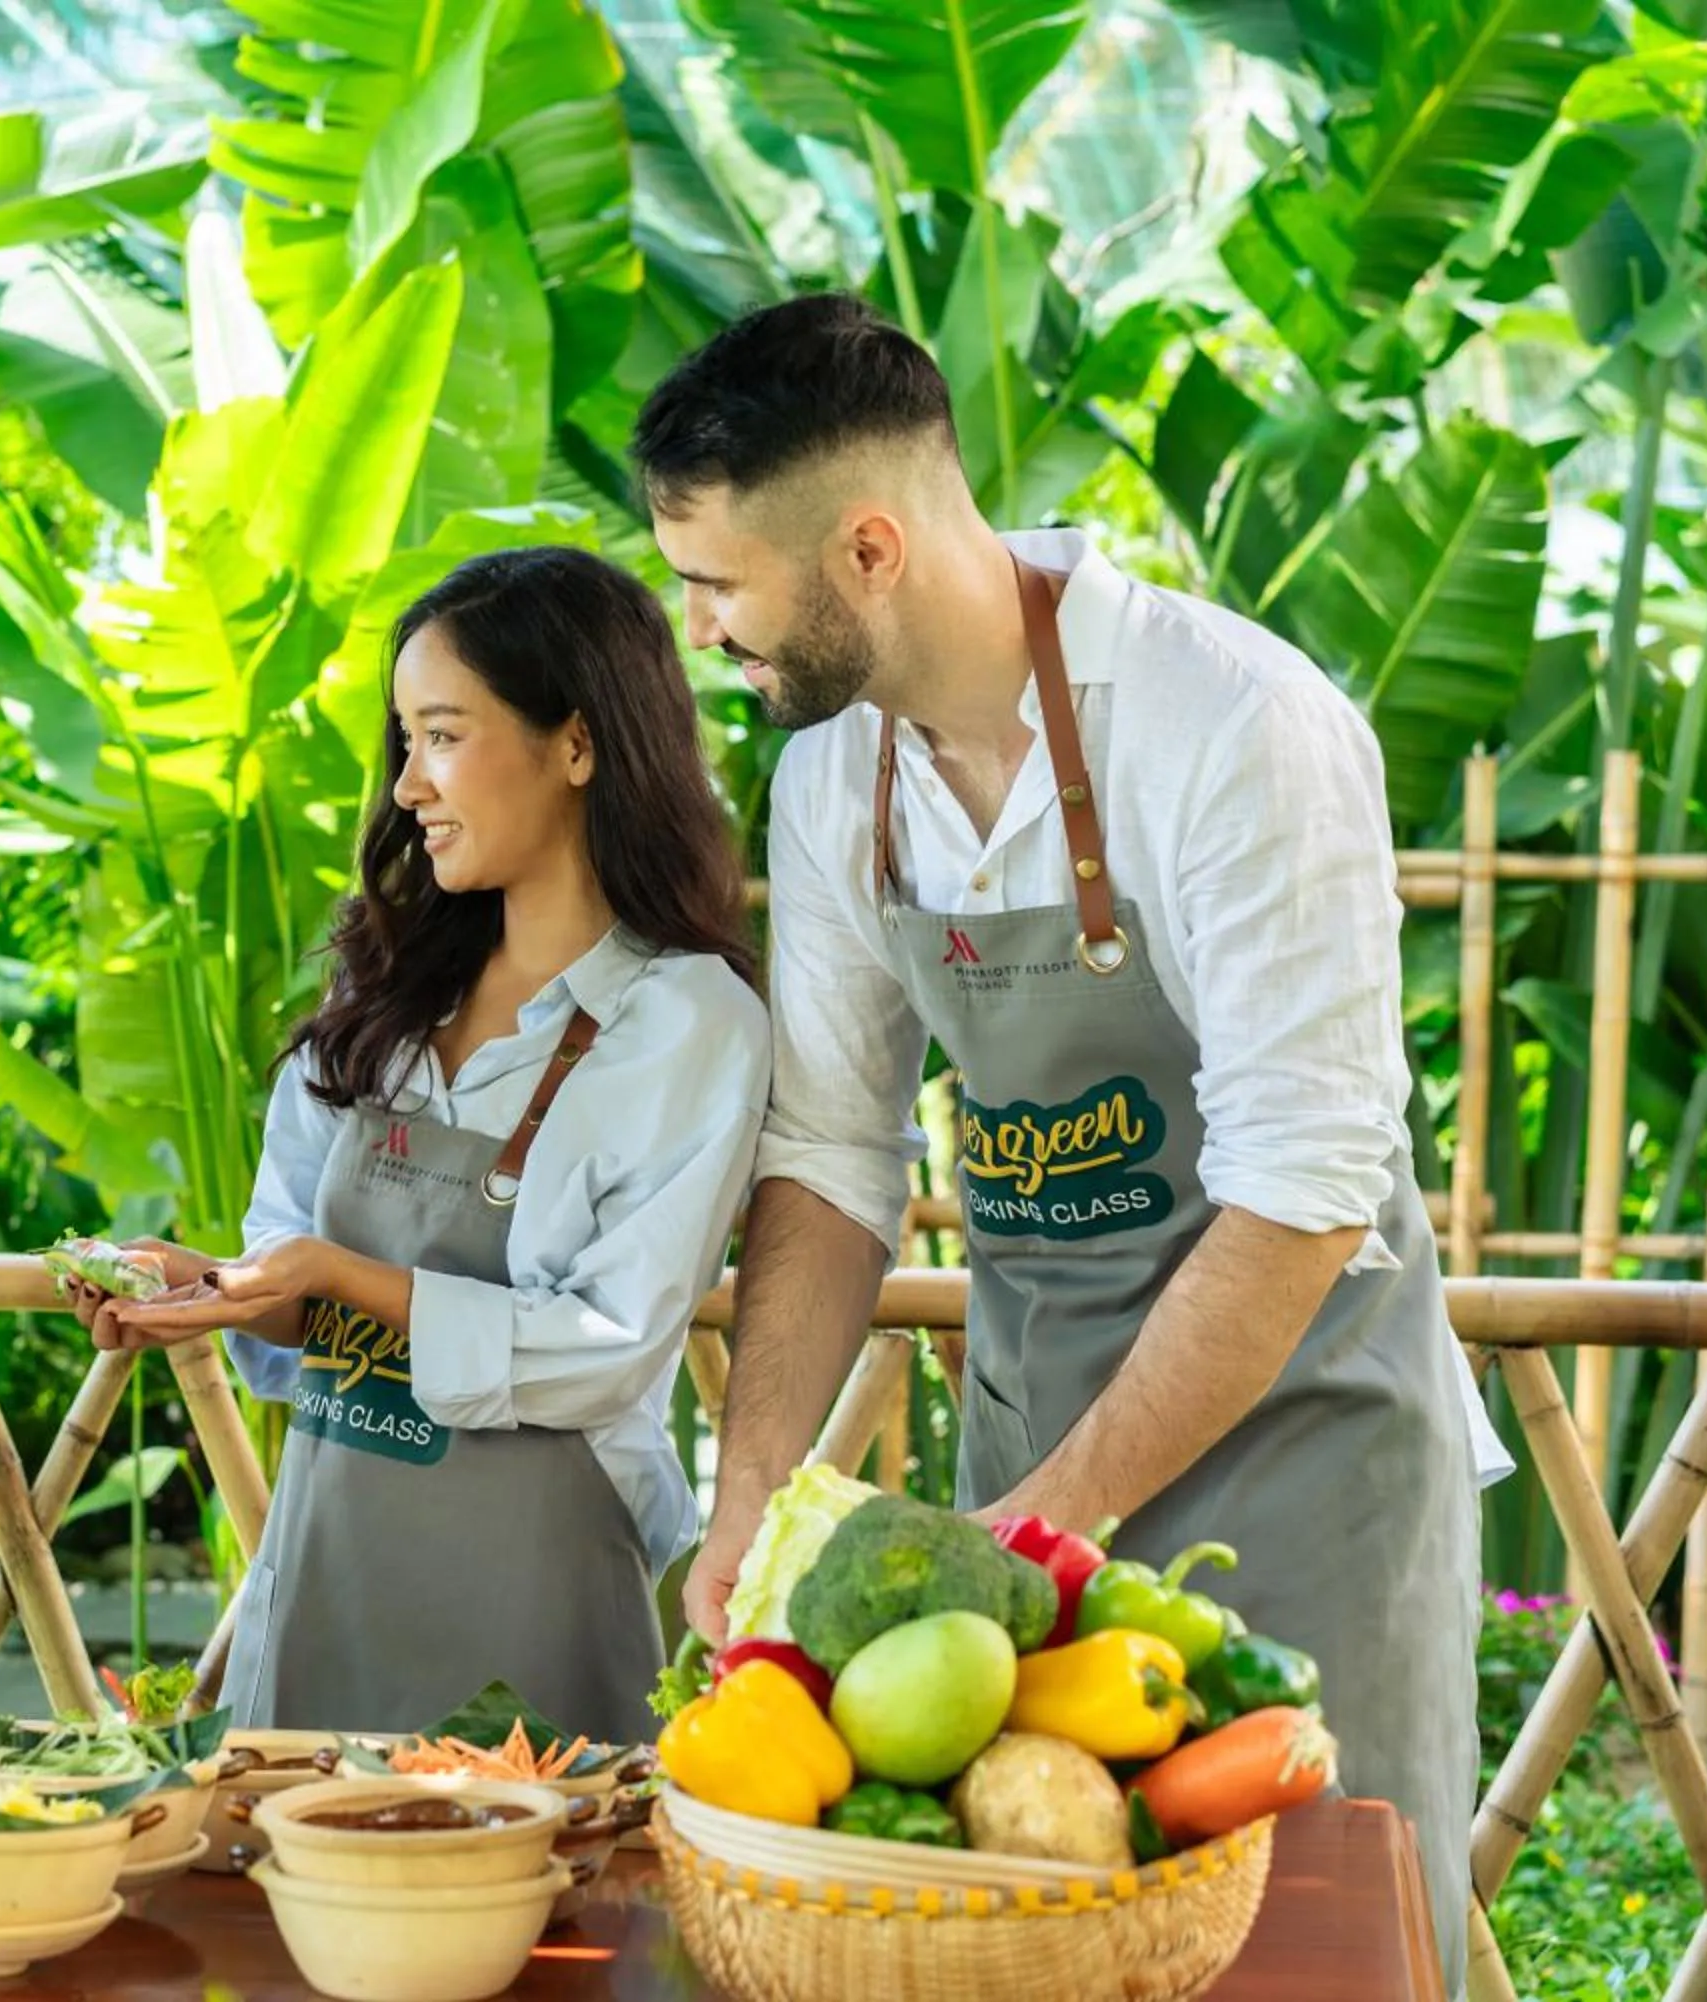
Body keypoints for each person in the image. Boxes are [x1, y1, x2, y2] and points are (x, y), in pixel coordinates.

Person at [637, 296, 1496, 1984]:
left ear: (869, 548)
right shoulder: (833, 784)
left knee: (1306, 1955)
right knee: (1029, 1951)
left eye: (720, 584)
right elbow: (829, 1160)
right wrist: (752, 1500)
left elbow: (1303, 1192)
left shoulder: (1233, 727)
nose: (694, 628)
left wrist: (1031, 1540)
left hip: (1298, 1452)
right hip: (1032, 1451)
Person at [69, 547, 770, 1744]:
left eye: (441, 735)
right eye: (402, 743)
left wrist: (337, 1276)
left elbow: (602, 1350)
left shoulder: (690, 1021)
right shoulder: (378, 1003)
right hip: (326, 1586)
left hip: (542, 1620)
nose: (406, 787)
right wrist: (217, 1293)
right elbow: (297, 1299)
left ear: (579, 745)